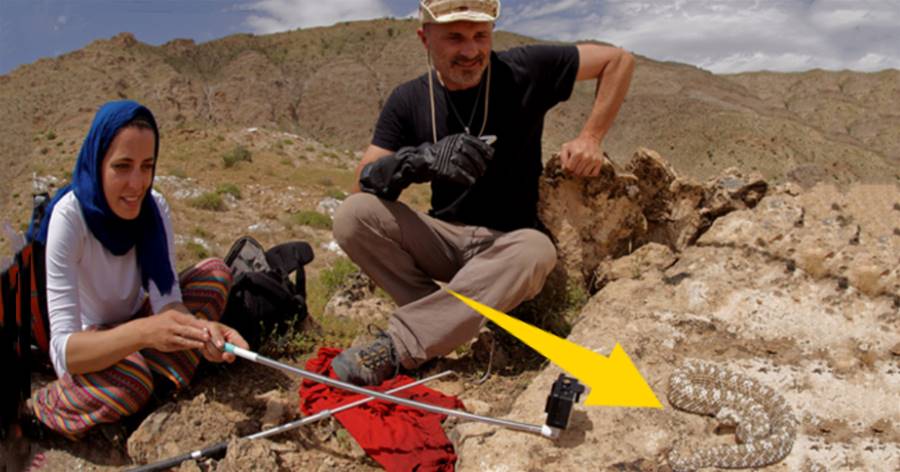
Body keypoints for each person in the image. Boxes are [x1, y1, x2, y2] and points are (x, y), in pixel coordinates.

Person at [331, 0, 635, 386]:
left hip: (507, 246)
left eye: (481, 36)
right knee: (353, 216)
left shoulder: (524, 69)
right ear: (425, 39)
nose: (471, 50)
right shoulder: (408, 99)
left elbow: (618, 61)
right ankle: (445, 323)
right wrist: (418, 161)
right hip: (444, 241)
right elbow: (361, 185)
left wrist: (591, 136)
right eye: (455, 37)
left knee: (536, 251)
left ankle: (403, 344)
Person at [26, 100, 249, 439]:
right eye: (122, 166)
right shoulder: (69, 218)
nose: (137, 183)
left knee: (216, 273)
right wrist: (145, 332)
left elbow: (168, 303)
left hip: (139, 325)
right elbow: (65, 353)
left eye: (147, 166)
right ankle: (43, 406)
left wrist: (202, 331)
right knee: (131, 381)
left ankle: (141, 389)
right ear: (97, 162)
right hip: (93, 343)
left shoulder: (154, 208)